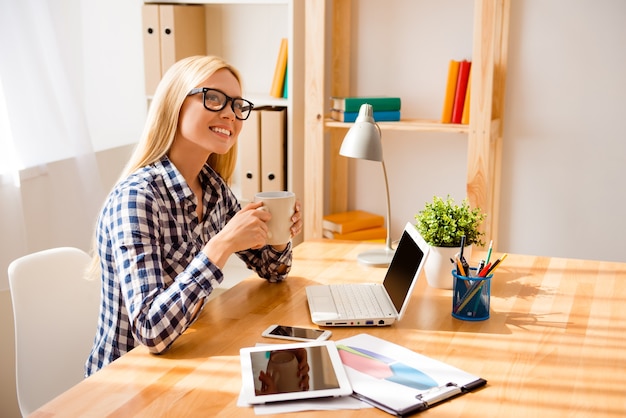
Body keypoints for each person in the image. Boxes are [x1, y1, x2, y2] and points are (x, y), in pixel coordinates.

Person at [85, 55, 302, 377]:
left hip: (185, 358)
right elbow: (151, 332)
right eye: (213, 98)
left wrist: (280, 235)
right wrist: (220, 245)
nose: (230, 114)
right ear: (175, 104)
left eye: (237, 105)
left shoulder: (213, 188)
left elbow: (273, 271)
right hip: (126, 378)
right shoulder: (137, 198)